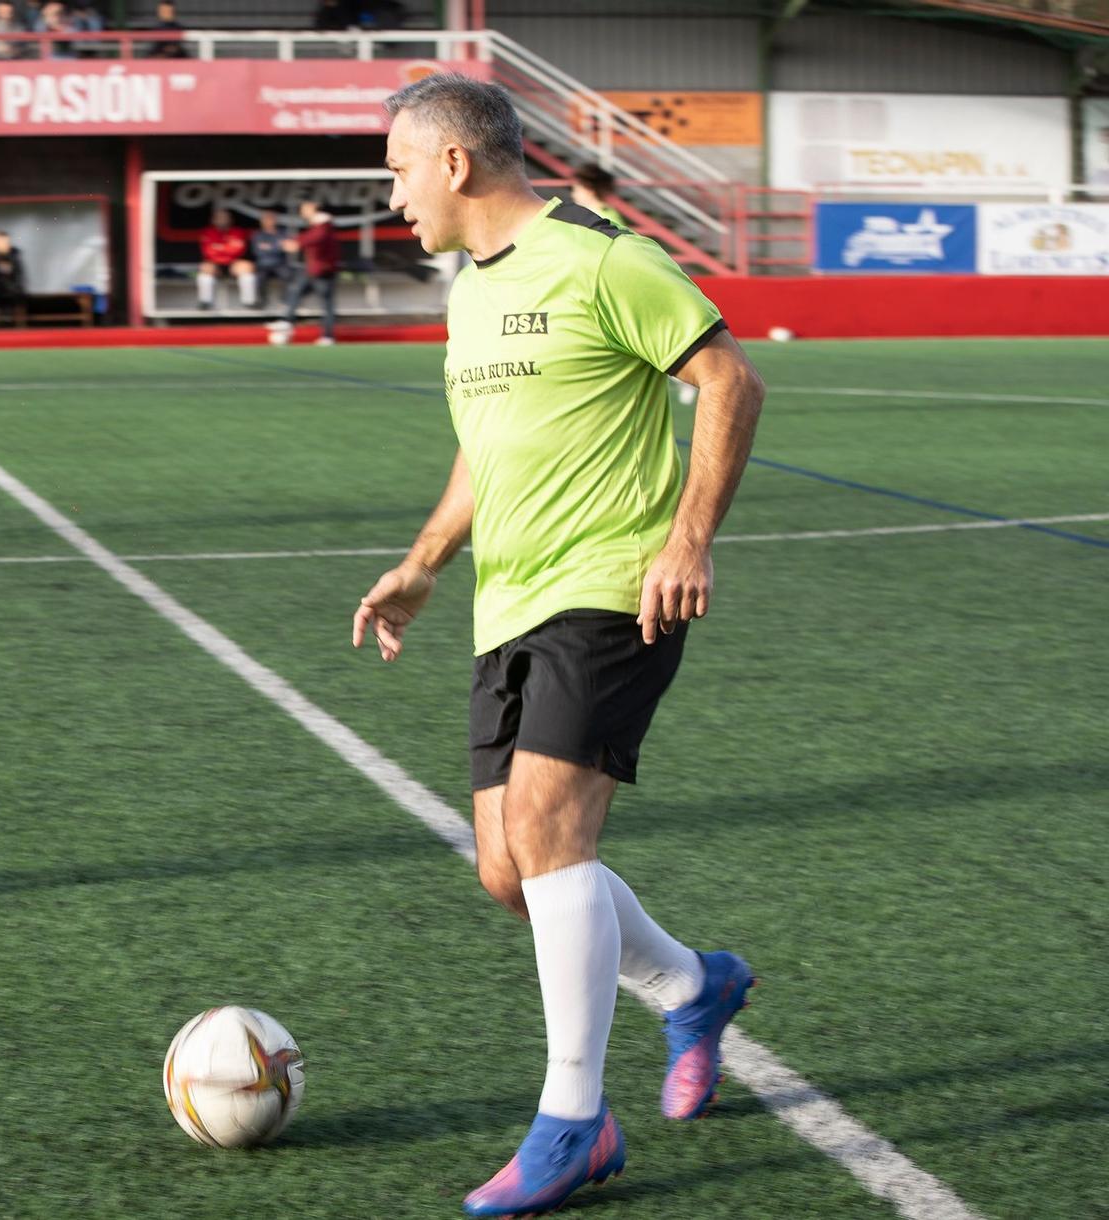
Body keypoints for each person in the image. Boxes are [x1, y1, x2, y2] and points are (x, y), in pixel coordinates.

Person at [353, 73, 766, 1217]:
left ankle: (572, 1121)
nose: (389, 196)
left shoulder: (601, 256)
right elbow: (486, 449)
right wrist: (425, 560)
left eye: (394, 169)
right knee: (507, 872)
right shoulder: (467, 293)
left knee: (545, 831)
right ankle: (692, 984)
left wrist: (687, 538)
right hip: (506, 602)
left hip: (612, 588)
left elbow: (729, 378)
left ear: (452, 163)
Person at [276, 200, 338, 344]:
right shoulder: (318, 224)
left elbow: (316, 237)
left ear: (313, 209)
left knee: (326, 303)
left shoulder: (323, 225)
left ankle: (327, 336)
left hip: (323, 271)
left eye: (305, 208)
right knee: (294, 291)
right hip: (313, 270)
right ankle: (287, 322)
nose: (302, 211)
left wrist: (297, 242)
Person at [195, 207, 255, 310]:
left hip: (233, 264)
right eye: (219, 218)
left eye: (225, 218)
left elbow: (238, 250)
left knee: (247, 267)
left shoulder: (238, 231)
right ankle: (205, 302)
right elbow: (208, 252)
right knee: (205, 268)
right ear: (213, 220)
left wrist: (219, 247)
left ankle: (249, 302)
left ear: (230, 220)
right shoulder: (207, 232)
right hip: (215, 265)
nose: (222, 220)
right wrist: (227, 247)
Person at [247, 209, 292, 306]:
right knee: (258, 278)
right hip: (263, 264)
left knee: (288, 275)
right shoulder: (257, 235)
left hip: (280, 263)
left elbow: (287, 247)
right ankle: (262, 300)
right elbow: (257, 251)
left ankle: (286, 300)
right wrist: (277, 246)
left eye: (271, 219)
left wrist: (268, 247)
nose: (269, 221)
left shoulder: (282, 233)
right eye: (266, 219)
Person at [571, 164, 630, 231]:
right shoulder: (610, 213)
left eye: (576, 190)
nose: (573, 194)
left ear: (589, 190)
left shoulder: (600, 218)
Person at [0, 230, 25, 307]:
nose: (2, 245)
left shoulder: (15, 257)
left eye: (4, 242)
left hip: (13, 297)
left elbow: (20, 279)